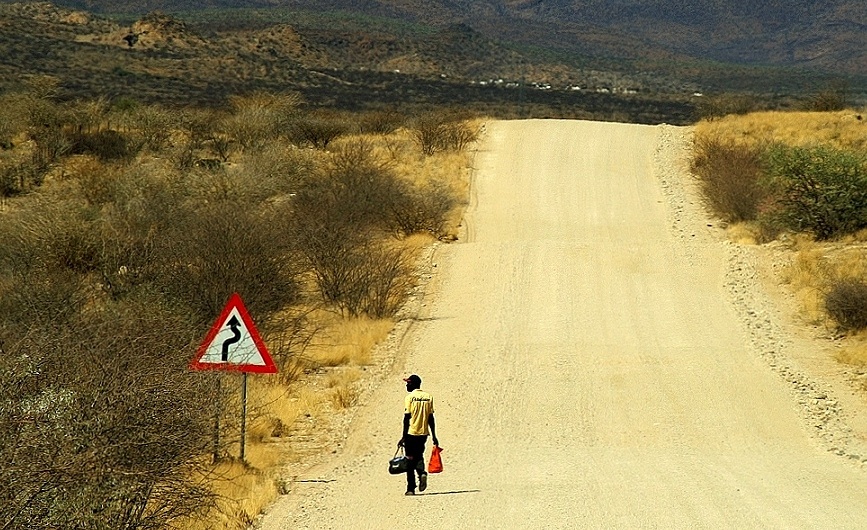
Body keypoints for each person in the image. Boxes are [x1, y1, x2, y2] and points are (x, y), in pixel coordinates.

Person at [398, 374, 438, 495]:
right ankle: (422, 473)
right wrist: (434, 435)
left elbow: (406, 418)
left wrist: (403, 436)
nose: (406, 385)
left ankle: (411, 488)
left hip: (411, 433)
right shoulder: (428, 397)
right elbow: (431, 418)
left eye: (408, 383)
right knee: (419, 455)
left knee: (409, 460)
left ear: (413, 384)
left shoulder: (410, 398)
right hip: (424, 434)